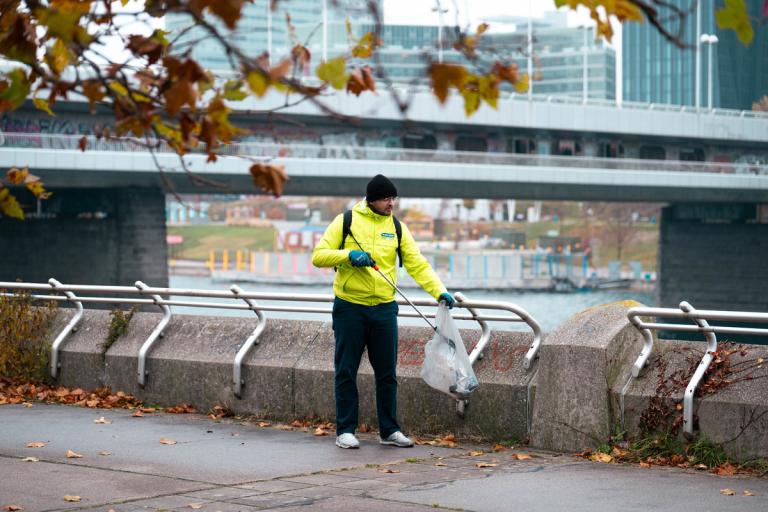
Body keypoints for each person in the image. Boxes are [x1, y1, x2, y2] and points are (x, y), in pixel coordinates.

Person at [312, 174, 455, 449]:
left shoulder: (397, 228)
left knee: (387, 373)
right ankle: (345, 430)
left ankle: (389, 431)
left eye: (394, 199)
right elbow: (319, 255)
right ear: (372, 199)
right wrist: (348, 256)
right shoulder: (347, 222)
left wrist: (440, 291)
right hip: (350, 308)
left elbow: (418, 265)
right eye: (387, 199)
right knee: (346, 370)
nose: (392, 204)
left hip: (385, 310)